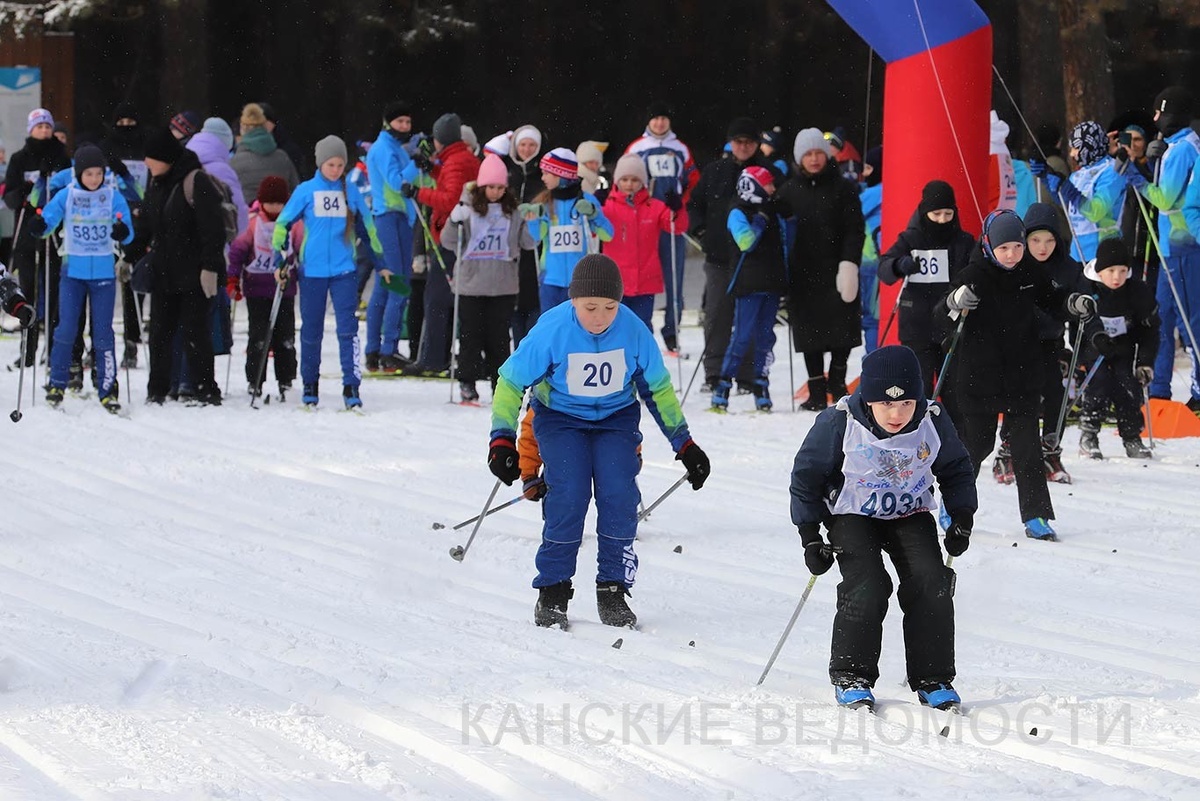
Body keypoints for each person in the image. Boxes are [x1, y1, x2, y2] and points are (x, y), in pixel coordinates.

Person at [487, 254, 711, 629]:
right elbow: (510, 382)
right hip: (560, 419)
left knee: (618, 494)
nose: (600, 316)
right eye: (590, 307)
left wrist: (684, 444)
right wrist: (502, 440)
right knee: (569, 493)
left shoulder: (633, 330)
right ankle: (553, 590)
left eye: (610, 307)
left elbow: (658, 389)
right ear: (573, 300)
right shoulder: (552, 329)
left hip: (615, 420)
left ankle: (613, 588)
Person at [790, 345, 977, 711]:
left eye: (907, 403)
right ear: (869, 399)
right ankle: (852, 674)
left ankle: (933, 677)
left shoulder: (932, 420)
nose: (897, 414)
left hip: (909, 512)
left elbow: (956, 469)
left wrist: (962, 516)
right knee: (869, 583)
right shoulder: (839, 422)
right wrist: (810, 537)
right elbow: (805, 479)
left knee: (931, 579)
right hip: (853, 514)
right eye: (887, 404)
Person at [941, 210, 1092, 541]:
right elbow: (944, 312)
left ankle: (1036, 515)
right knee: (977, 445)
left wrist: (1074, 303)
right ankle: (952, 504)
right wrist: (957, 300)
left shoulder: (1029, 273)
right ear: (990, 246)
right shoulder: (975, 273)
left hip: (1022, 375)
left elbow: (1054, 299)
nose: (1012, 255)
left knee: (1028, 450)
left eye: (1017, 247)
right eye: (1004, 248)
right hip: (979, 377)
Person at [273, 135, 379, 409]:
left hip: (344, 270)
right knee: (311, 331)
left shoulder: (351, 191)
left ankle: (351, 385)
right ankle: (310, 383)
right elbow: (282, 224)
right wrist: (280, 258)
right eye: (331, 164)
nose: (336, 170)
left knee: (348, 330)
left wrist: (381, 259)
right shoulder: (306, 191)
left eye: (340, 164)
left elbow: (369, 227)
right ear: (320, 163)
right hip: (313, 272)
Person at [29, 144, 133, 412]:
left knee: (102, 333)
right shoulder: (68, 195)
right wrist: (39, 226)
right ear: (79, 174)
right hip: (72, 273)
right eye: (89, 174)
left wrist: (122, 231)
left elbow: (128, 232)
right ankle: (57, 382)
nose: (94, 179)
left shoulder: (112, 197)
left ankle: (107, 388)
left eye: (98, 174)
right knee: (66, 329)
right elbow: (48, 220)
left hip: (103, 276)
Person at [993, 203, 1083, 484]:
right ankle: (1008, 450)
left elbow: (1081, 301)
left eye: (1049, 240)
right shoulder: (1015, 266)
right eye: (1034, 240)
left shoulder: (1068, 268)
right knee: (1020, 397)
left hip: (1050, 343)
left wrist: (1083, 310)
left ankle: (1050, 450)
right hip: (1017, 345)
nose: (1042, 248)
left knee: (1055, 395)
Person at [688, 118, 779, 393]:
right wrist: (701, 232)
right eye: (739, 142)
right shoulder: (715, 171)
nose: (743, 146)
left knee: (751, 319)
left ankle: (748, 375)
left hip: (756, 261)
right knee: (717, 315)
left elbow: (781, 207)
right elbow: (695, 205)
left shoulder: (769, 173)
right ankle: (715, 372)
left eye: (749, 142)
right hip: (718, 258)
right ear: (731, 143)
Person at [777, 128, 865, 410]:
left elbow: (855, 229)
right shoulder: (788, 191)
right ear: (799, 158)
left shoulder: (844, 188)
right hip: (803, 273)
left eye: (818, 153)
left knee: (843, 330)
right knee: (809, 334)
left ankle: (837, 382)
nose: (814, 159)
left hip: (837, 268)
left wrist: (850, 262)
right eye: (808, 154)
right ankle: (816, 389)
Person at [141, 126, 227, 406]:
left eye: (151, 157)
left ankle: (204, 388)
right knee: (160, 333)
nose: (146, 163)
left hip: (195, 273)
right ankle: (158, 389)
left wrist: (211, 268)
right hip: (164, 272)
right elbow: (147, 225)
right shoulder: (155, 182)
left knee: (195, 332)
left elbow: (213, 230)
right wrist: (129, 249)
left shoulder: (195, 181)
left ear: (165, 157)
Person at [1127, 87, 1200, 411]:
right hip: (1171, 246)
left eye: (1158, 113)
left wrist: (1138, 177)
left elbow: (1165, 199)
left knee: (1189, 321)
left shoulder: (1183, 148)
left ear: (1171, 114)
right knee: (1162, 317)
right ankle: (1158, 390)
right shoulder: (1177, 146)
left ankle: (1198, 391)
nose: (1155, 119)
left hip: (1184, 244)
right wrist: (1148, 167)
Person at [442, 152, 534, 403]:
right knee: (470, 337)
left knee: (500, 340)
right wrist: (452, 220)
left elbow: (527, 243)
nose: (496, 192)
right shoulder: (468, 209)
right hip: (472, 284)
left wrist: (534, 223)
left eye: (501, 187)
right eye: (492, 187)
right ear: (482, 186)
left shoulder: (511, 211)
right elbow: (448, 241)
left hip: (503, 285)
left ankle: (501, 385)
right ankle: (467, 383)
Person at [876, 180, 975, 403]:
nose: (942, 220)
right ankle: (917, 434)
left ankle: (954, 435)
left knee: (954, 391)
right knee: (918, 388)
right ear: (924, 212)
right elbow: (883, 268)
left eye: (948, 214)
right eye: (936, 214)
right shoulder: (911, 238)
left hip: (952, 327)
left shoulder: (964, 242)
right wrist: (899, 264)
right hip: (916, 327)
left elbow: (977, 271)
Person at [403, 112, 479, 377]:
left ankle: (433, 359)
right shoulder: (460, 159)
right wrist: (432, 169)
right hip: (462, 237)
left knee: (436, 298)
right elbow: (452, 183)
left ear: (441, 139)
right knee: (447, 298)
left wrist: (418, 193)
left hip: (451, 237)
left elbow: (450, 199)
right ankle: (442, 355)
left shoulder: (456, 161)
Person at [712, 166, 787, 412]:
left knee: (765, 337)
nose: (772, 190)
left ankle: (760, 383)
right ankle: (723, 384)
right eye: (767, 185)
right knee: (743, 337)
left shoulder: (770, 209)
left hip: (771, 282)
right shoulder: (738, 210)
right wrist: (760, 220)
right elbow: (746, 242)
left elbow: (784, 242)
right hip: (748, 283)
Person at [625, 103, 699, 353]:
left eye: (663, 119)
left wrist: (682, 202)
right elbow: (626, 178)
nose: (659, 124)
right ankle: (641, 328)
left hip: (670, 219)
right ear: (649, 122)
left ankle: (672, 330)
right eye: (655, 119)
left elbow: (693, 179)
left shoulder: (679, 148)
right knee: (643, 275)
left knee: (673, 277)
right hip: (645, 221)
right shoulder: (637, 147)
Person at [1076, 239, 1158, 459]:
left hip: (1124, 348)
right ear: (1100, 270)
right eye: (1111, 270)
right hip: (1095, 349)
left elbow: (1150, 329)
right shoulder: (1087, 286)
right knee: (1099, 384)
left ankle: (1132, 437)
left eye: (1123, 271)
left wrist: (1145, 361)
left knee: (1127, 386)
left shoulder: (1137, 291)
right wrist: (1089, 346)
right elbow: (1078, 324)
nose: (1116, 277)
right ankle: (1089, 434)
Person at [3, 107, 71, 367]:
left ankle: (53, 351)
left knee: (54, 293)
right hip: (27, 234)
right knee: (27, 293)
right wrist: (27, 189)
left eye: (47, 126)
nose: (44, 130)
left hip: (53, 233)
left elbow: (70, 190)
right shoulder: (20, 158)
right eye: (39, 126)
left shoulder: (61, 156)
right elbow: (9, 197)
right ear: (31, 129)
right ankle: (28, 350)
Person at [227, 176, 299, 399]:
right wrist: (232, 279)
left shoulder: (294, 223)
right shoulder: (252, 223)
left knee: (284, 338)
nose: (275, 208)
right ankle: (255, 379)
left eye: (279, 203)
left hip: (283, 290)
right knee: (258, 337)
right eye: (270, 203)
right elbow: (237, 251)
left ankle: (285, 380)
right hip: (256, 290)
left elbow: (301, 249)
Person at [365, 101, 420, 373]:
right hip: (389, 216)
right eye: (400, 122)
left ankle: (374, 350)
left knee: (385, 284)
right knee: (397, 282)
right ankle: (388, 349)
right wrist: (416, 165)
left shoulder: (395, 147)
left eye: (408, 123)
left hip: (397, 217)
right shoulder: (384, 148)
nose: (405, 127)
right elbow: (398, 183)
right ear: (388, 123)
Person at [602, 153, 683, 331]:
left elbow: (676, 227)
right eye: (624, 179)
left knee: (641, 326)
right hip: (616, 282)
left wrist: (677, 209)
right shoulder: (608, 207)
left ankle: (644, 358)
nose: (629, 184)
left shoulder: (654, 206)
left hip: (645, 281)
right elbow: (595, 230)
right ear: (617, 181)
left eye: (634, 180)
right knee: (615, 328)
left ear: (643, 182)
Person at [526, 148, 612, 312]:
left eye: (546, 173)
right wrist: (533, 220)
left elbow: (607, 234)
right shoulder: (544, 202)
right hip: (551, 280)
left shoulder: (586, 200)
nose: (542, 178)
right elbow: (536, 237)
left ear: (561, 174)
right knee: (552, 328)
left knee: (580, 328)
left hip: (581, 281)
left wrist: (594, 214)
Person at [1031, 120, 1126, 263]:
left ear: (1088, 146)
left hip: (1103, 250)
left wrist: (1067, 188)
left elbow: (1096, 212)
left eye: (1076, 148)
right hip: (1078, 251)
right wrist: (1047, 177)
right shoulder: (1079, 174)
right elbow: (1069, 206)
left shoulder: (1111, 171)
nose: (1072, 153)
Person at [98, 103, 149, 369]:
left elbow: (144, 188)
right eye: (122, 121)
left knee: (131, 282)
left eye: (131, 121)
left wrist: (129, 178)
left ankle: (132, 339)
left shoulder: (145, 148)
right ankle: (100, 340)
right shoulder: (106, 147)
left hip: (136, 221)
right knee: (103, 284)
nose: (127, 126)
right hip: (106, 221)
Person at [504, 124, 544, 347]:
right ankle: (518, 348)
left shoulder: (540, 176)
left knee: (532, 296)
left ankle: (532, 346)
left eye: (532, 145)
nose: (527, 150)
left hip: (534, 246)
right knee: (513, 300)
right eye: (523, 145)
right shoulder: (509, 173)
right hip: (509, 245)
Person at [230, 103, 299, 206]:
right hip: (280, 218)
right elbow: (296, 192)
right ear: (264, 127)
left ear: (242, 128)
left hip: (248, 219)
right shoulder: (283, 157)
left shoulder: (234, 162)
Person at [858, 146, 883, 354]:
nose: (864, 174)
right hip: (892, 261)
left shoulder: (869, 195)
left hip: (870, 264)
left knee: (872, 320)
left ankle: (872, 362)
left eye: (867, 168)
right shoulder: (899, 190)